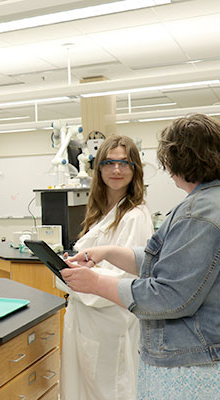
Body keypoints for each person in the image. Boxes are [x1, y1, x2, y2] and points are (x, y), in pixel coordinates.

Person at [62, 114, 220, 399]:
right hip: (217, 355)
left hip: (205, 366)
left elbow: (168, 295)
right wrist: (108, 252)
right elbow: (174, 261)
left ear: (177, 160)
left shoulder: (203, 214)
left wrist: (93, 283)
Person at [57, 135, 153, 400]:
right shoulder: (100, 212)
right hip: (87, 320)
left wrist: (75, 277)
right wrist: (74, 264)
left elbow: (125, 279)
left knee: (110, 390)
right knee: (82, 387)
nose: (116, 170)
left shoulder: (135, 216)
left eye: (124, 163)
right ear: (98, 168)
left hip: (110, 323)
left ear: (135, 169)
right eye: (109, 163)